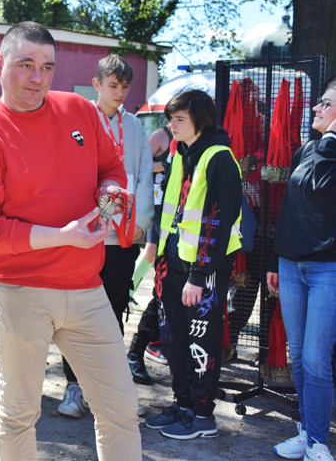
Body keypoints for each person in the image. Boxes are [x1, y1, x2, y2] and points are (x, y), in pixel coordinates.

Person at [0, 21, 141, 461]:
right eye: (25, 64)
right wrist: (62, 237)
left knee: (120, 410)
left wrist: (108, 193)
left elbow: (112, 168)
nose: (37, 77)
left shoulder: (79, 109)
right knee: (19, 416)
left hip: (87, 289)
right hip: (19, 294)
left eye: (46, 67)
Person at [58, 54, 154, 419]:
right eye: (113, 85)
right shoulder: (78, 120)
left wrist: (141, 221)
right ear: (96, 84)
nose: (120, 92)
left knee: (114, 310)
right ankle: (73, 387)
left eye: (125, 86)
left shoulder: (135, 127)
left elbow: (144, 176)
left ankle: (110, 390)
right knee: (76, 312)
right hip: (87, 233)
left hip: (123, 237)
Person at [144, 90, 242, 440]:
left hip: (203, 271)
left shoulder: (219, 158)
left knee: (201, 342)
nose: (170, 125)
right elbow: (170, 213)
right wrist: (160, 263)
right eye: (170, 118)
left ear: (200, 121)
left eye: (178, 119)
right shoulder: (183, 154)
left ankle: (202, 416)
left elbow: (218, 221)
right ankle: (183, 404)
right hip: (173, 266)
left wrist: (200, 274)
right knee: (174, 340)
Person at [267, 82, 336, 461]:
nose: (315, 109)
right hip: (291, 265)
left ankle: (319, 442)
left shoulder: (327, 151)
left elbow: (325, 183)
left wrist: (333, 137)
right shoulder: (306, 149)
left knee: (315, 359)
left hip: (328, 268)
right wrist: (275, 261)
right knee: (298, 356)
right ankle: (306, 434)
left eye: (325, 104)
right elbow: (290, 206)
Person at [127, 124, 175, 384]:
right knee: (153, 258)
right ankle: (129, 291)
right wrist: (167, 168)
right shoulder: (161, 135)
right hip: (157, 207)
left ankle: (148, 346)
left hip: (174, 210)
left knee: (152, 256)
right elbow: (137, 165)